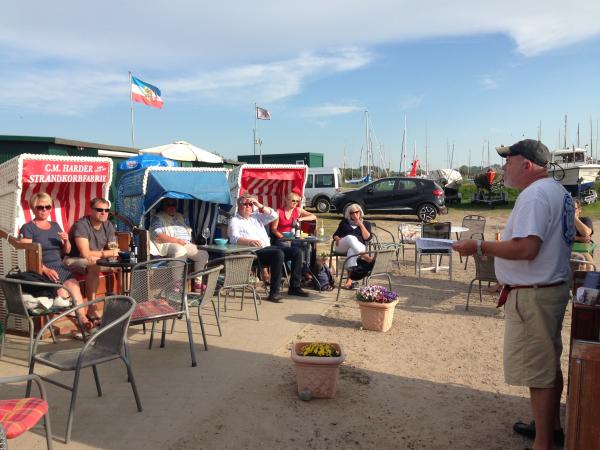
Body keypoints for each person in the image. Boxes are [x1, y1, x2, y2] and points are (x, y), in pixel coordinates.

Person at [453, 139, 573, 450]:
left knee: (538, 372)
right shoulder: (558, 191)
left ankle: (543, 443)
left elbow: (527, 248)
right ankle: (551, 428)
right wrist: (507, 278)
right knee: (548, 364)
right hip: (546, 290)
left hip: (535, 296)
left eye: (509, 161)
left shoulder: (534, 195)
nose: (504, 166)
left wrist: (479, 246)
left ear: (527, 165)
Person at [19, 192, 95, 329]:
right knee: (62, 293)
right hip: (41, 269)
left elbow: (66, 251)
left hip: (60, 266)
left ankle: (83, 321)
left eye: (47, 207)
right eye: (40, 207)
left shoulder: (55, 226)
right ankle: (82, 324)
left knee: (74, 286)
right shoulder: (28, 228)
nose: (44, 210)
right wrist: (45, 269)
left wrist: (66, 241)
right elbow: (26, 253)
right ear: (33, 208)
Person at [228, 193, 309, 302]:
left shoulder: (256, 216)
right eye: (245, 204)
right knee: (278, 254)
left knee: (297, 251)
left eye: (250, 204)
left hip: (266, 248)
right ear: (239, 206)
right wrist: (249, 241)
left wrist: (259, 205)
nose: (248, 206)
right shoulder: (235, 220)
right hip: (252, 253)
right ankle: (274, 293)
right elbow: (234, 238)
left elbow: (274, 215)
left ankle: (294, 287)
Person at [64, 197, 119, 318]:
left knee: (123, 266)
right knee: (94, 265)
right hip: (73, 259)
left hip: (95, 259)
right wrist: (108, 253)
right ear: (91, 210)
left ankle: (124, 302)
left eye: (106, 210)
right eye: (99, 210)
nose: (104, 213)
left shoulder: (108, 225)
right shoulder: (82, 225)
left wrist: (113, 255)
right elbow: (85, 253)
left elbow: (113, 247)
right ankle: (92, 308)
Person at [150, 198, 209, 285]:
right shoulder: (158, 217)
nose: (171, 207)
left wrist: (193, 244)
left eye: (173, 204)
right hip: (168, 244)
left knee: (203, 254)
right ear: (163, 206)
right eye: (168, 205)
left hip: (185, 243)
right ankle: (176, 284)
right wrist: (177, 241)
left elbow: (189, 232)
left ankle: (198, 283)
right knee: (180, 251)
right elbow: (158, 235)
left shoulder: (182, 217)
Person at [270, 191, 317, 279]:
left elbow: (313, 216)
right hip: (282, 237)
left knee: (307, 245)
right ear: (286, 200)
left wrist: (301, 219)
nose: (295, 203)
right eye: (293, 201)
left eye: (297, 201)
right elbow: (273, 229)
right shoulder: (279, 212)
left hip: (295, 238)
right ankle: (292, 271)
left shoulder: (298, 210)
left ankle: (305, 270)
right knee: (288, 247)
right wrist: (282, 237)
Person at [332, 205, 373, 289]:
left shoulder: (366, 223)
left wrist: (360, 224)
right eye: (352, 213)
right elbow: (335, 234)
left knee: (352, 251)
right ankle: (366, 257)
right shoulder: (344, 222)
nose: (354, 214)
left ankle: (350, 280)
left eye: (356, 212)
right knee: (351, 237)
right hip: (342, 245)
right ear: (349, 214)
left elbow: (367, 238)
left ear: (360, 212)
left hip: (358, 247)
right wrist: (336, 238)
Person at [572, 198, 594, 270]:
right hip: (567, 250)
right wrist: (579, 238)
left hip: (583, 250)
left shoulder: (585, 220)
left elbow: (586, 233)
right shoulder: (562, 222)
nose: (571, 211)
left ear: (579, 209)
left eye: (574, 209)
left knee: (586, 264)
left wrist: (574, 218)